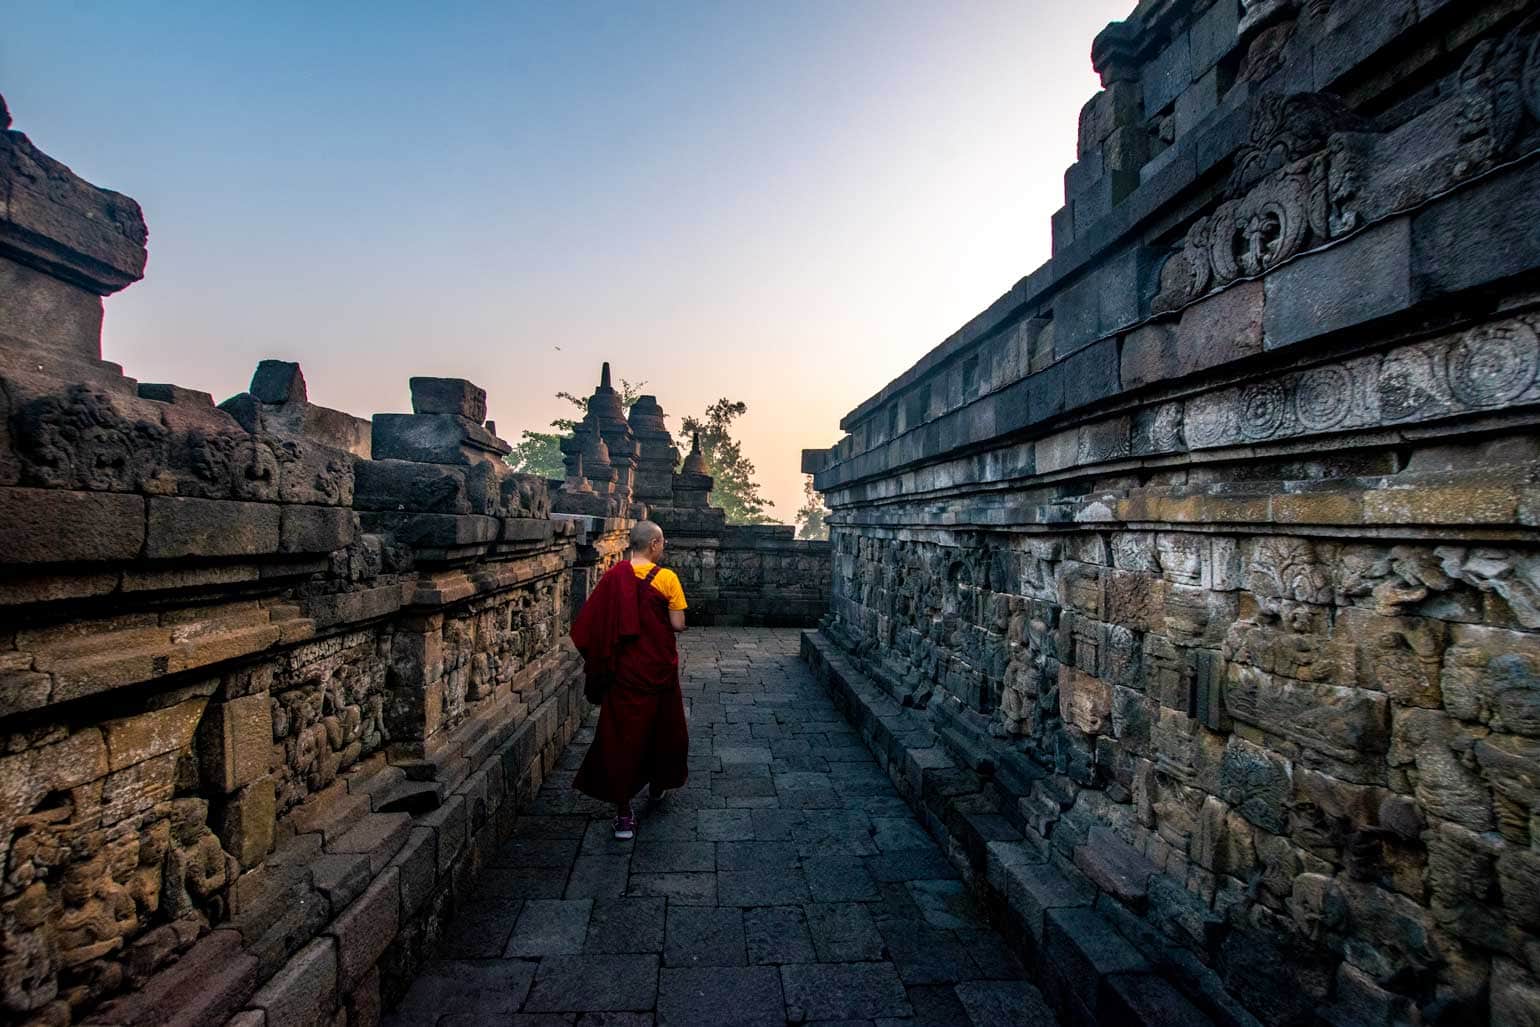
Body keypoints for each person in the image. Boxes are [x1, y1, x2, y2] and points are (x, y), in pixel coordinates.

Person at [570, 520, 689, 839]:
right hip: (657, 669)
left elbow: (589, 625)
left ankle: (624, 814)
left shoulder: (612, 577)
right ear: (654, 544)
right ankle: (657, 784)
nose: (662, 548)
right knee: (663, 728)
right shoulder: (667, 579)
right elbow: (677, 624)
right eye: (662, 543)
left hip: (623, 673)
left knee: (622, 737)